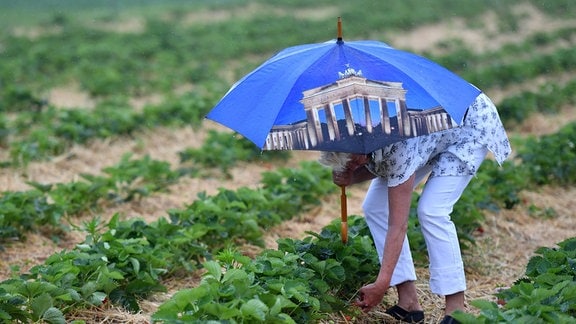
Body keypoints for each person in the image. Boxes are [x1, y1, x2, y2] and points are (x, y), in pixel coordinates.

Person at [326, 93, 511, 324]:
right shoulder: (355, 131)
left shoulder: (396, 145)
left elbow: (398, 224)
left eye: (352, 161)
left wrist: (382, 284)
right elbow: (374, 165)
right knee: (375, 206)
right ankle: (409, 302)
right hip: (428, 134)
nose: (353, 165)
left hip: (465, 121)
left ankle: (456, 309)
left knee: (432, 211)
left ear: (360, 149)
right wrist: (348, 177)